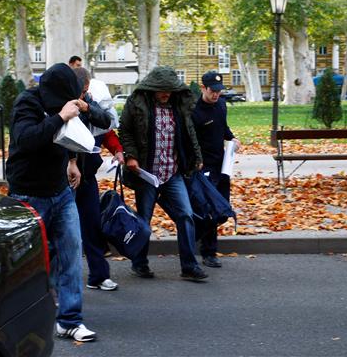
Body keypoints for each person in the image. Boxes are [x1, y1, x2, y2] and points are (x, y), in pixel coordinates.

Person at [6, 63, 97, 342]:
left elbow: (68, 135)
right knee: (26, 262)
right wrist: (59, 116)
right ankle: (15, 321)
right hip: (28, 194)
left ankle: (69, 320)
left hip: (60, 191)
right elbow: (26, 139)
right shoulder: (27, 102)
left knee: (71, 254)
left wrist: (72, 162)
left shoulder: (67, 103)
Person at [119, 66, 208, 281]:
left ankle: (189, 266)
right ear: (152, 89)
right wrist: (130, 156)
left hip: (173, 173)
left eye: (169, 89)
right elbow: (125, 130)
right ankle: (139, 264)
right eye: (162, 90)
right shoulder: (137, 103)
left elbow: (190, 133)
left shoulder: (179, 105)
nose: (166, 93)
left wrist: (197, 157)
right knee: (144, 220)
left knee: (186, 215)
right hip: (147, 174)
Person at [72, 67, 121, 292]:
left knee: (93, 225)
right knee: (64, 232)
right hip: (68, 179)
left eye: (86, 91)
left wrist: (117, 150)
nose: (84, 94)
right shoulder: (64, 105)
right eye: (82, 91)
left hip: (88, 176)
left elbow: (106, 127)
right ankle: (55, 283)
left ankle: (98, 276)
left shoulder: (90, 101)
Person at [192, 72, 241, 268]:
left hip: (222, 164)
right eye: (213, 91)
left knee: (222, 210)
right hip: (204, 167)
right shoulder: (195, 111)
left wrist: (232, 138)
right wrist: (196, 160)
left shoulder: (221, 104)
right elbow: (190, 139)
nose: (216, 95)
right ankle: (209, 252)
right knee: (210, 209)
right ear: (203, 88)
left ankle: (192, 235)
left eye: (219, 91)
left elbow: (223, 128)